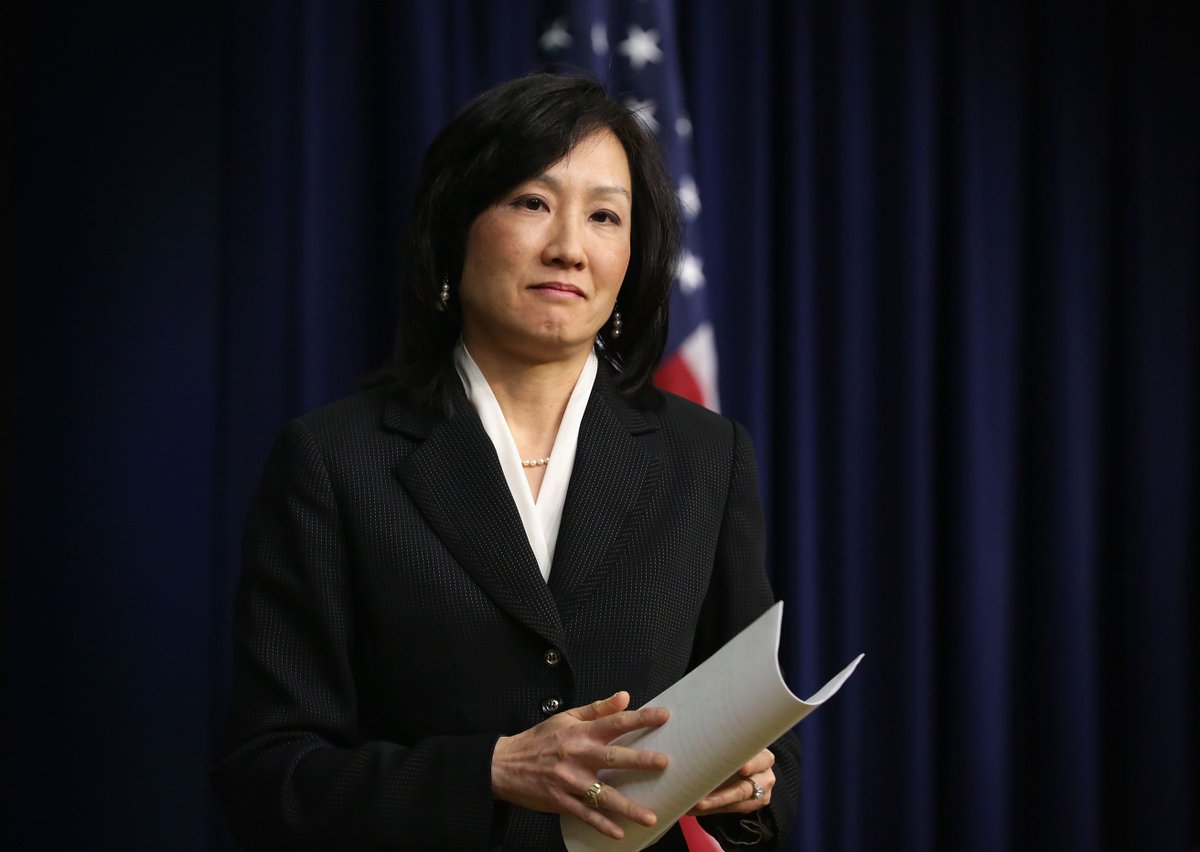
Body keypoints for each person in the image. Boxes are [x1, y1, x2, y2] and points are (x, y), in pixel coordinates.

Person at [213, 72, 800, 851]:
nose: (569, 248)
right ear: (455, 227)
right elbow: (268, 778)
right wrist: (488, 771)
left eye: (604, 216)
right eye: (531, 203)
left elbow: (769, 752)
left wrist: (753, 787)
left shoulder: (707, 458)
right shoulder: (332, 461)